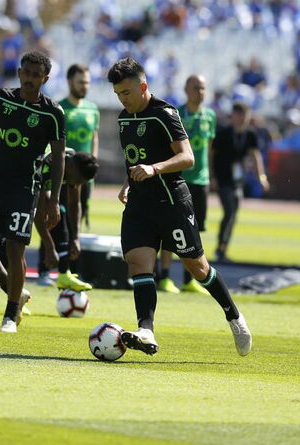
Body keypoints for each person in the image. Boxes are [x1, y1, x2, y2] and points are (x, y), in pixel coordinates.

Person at [107, 57, 251, 357]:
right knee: (138, 263)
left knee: (197, 268)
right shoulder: (124, 118)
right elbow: (134, 158)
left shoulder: (165, 114)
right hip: (140, 203)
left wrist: (154, 169)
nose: (123, 99)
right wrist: (128, 182)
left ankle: (234, 316)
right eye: (118, 94)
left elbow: (188, 158)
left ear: (143, 86)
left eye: (127, 92)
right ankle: (146, 329)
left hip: (171, 201)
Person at [0, 52, 66, 334]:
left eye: (37, 75)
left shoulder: (52, 113)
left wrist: (53, 200)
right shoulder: (1, 98)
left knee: (14, 248)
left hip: (25, 189)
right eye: (27, 72)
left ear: (45, 79)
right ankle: (15, 291)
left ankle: (10, 315)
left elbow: (58, 160)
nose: (30, 79)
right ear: (20, 72)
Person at [37, 64, 100, 286]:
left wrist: (93, 161)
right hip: (57, 172)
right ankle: (45, 269)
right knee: (50, 217)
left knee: (74, 217)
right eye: (81, 82)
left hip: (80, 175)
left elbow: (93, 137)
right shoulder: (59, 109)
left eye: (87, 82)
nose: (85, 86)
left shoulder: (92, 109)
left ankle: (68, 269)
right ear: (70, 82)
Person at [158, 74, 216, 294]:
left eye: (202, 88)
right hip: (179, 180)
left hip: (201, 181)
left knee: (194, 232)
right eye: (195, 88)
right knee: (170, 230)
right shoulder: (177, 114)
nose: (199, 92)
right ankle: (163, 277)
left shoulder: (210, 116)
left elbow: (209, 147)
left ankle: (189, 280)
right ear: (186, 89)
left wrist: (210, 175)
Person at [33, 149, 100, 292]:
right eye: (79, 181)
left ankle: (64, 274)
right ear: (69, 168)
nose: (77, 184)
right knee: (13, 241)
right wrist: (49, 247)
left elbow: (74, 203)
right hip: (21, 183)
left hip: (49, 185)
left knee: (60, 213)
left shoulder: (73, 163)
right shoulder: (46, 166)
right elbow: (38, 213)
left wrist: (76, 238)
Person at [211, 102, 269, 262]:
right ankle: (221, 246)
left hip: (238, 179)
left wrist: (261, 177)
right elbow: (212, 155)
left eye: (245, 115)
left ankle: (223, 247)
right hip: (223, 178)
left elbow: (255, 155)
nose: (242, 118)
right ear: (233, 115)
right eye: (239, 114)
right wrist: (212, 177)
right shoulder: (223, 133)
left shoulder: (250, 134)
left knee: (233, 213)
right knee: (229, 210)